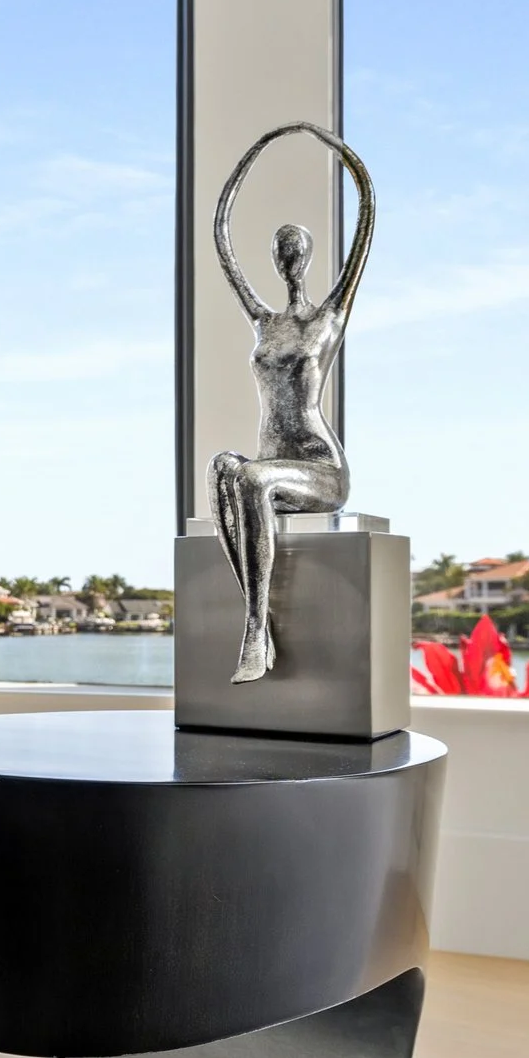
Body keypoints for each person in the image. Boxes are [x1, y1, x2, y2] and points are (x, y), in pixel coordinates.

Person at [208, 122, 376, 683]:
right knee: (224, 467)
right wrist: (248, 161)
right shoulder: (264, 320)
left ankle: (256, 629)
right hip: (271, 470)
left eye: (294, 250)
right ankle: (255, 617)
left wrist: (333, 149)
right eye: (280, 251)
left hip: (318, 470)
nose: (286, 259)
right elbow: (221, 240)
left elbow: (364, 227)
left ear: (305, 259)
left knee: (251, 479)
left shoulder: (328, 318)